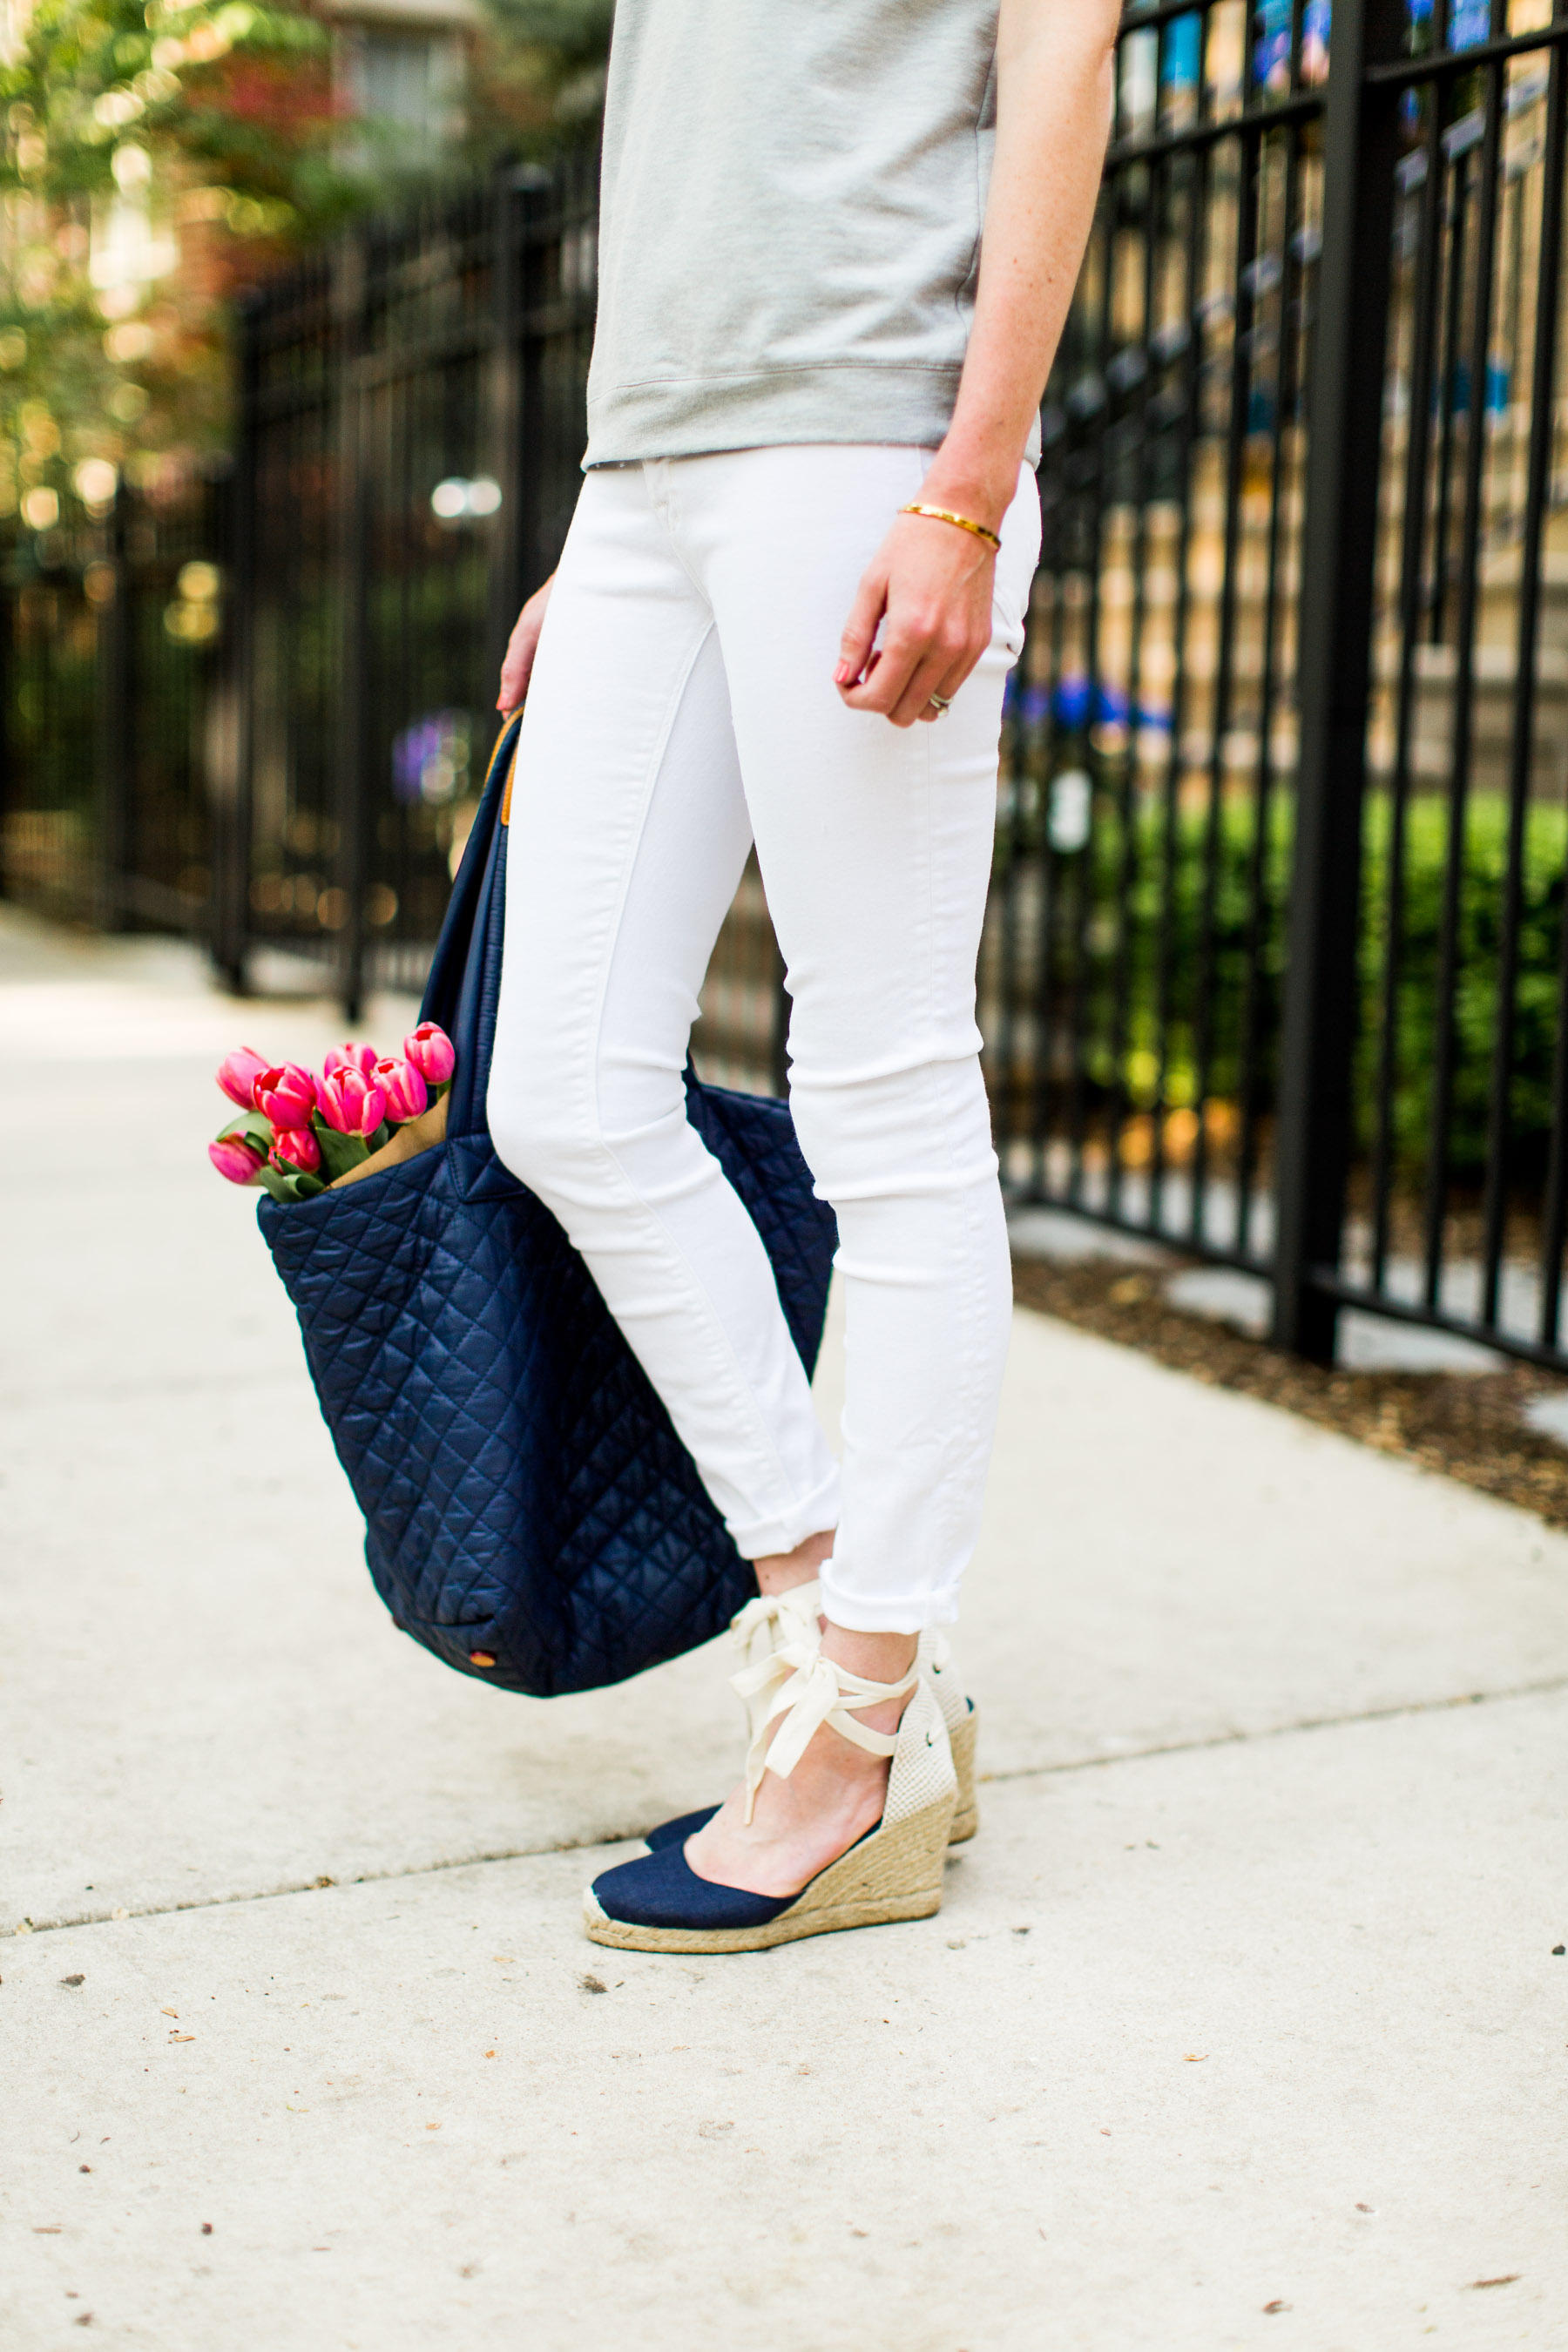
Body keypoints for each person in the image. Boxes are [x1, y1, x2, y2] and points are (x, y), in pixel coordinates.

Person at [487, 0, 1119, 1954]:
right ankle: (840, 1619)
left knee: (886, 1093)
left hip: (867, 441)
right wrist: (606, 533)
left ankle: (849, 1740)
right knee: (563, 1093)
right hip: (650, 473)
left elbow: (1061, 68)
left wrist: (971, 482)